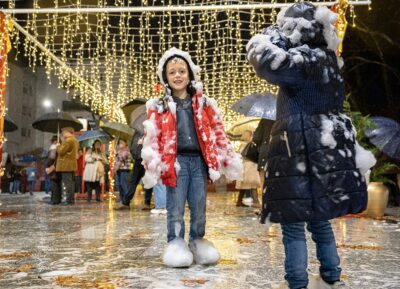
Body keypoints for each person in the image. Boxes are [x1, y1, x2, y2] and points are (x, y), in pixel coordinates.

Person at [247, 2, 377, 289]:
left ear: (298, 29)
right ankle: (332, 278)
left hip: (298, 148)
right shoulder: (329, 60)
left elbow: (266, 60)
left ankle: (297, 284)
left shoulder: (305, 60)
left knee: (293, 225)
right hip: (324, 148)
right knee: (319, 219)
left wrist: (272, 35)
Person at [142, 47, 242, 268]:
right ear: (165, 77)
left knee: (199, 206)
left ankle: (197, 241)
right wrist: (153, 165)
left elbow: (217, 131)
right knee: (175, 208)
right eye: (172, 72)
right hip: (175, 163)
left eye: (182, 71)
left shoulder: (204, 103)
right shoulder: (159, 106)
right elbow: (153, 137)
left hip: (199, 162)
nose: (177, 75)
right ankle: (175, 243)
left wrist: (227, 157)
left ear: (190, 74)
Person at [113, 110, 153, 210]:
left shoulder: (148, 128)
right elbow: (134, 145)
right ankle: (127, 202)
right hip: (139, 158)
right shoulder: (138, 131)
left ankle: (143, 202)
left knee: (145, 180)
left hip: (146, 157)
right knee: (135, 181)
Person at [235, 130, 261, 208]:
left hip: (244, 167)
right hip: (250, 167)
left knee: (245, 185)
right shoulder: (248, 145)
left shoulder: (242, 145)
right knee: (253, 184)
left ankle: (239, 201)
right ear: (249, 136)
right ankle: (256, 202)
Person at [55, 127, 79, 205]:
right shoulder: (75, 140)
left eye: (64, 132)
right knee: (71, 183)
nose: (63, 134)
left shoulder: (68, 141)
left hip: (66, 165)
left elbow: (61, 151)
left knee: (67, 183)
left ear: (68, 132)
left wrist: (58, 146)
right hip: (71, 164)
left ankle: (69, 200)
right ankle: (71, 200)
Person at [253, 118, 275, 190]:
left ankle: (264, 197)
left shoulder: (265, 120)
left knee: (263, 175)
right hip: (279, 149)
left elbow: (257, 138)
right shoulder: (282, 118)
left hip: (265, 149)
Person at [114, 139, 132, 205]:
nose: (120, 144)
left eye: (122, 142)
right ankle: (122, 199)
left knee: (123, 184)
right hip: (119, 170)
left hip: (124, 170)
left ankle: (127, 200)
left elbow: (121, 158)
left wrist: (117, 154)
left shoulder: (126, 151)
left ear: (125, 144)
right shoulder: (119, 151)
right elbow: (116, 161)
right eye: (119, 143)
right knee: (119, 185)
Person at [46, 135, 60, 204]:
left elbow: (51, 158)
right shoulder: (60, 147)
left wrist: (47, 166)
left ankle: (54, 200)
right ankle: (58, 199)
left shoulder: (53, 148)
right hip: (59, 167)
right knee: (58, 184)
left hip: (53, 168)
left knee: (54, 184)